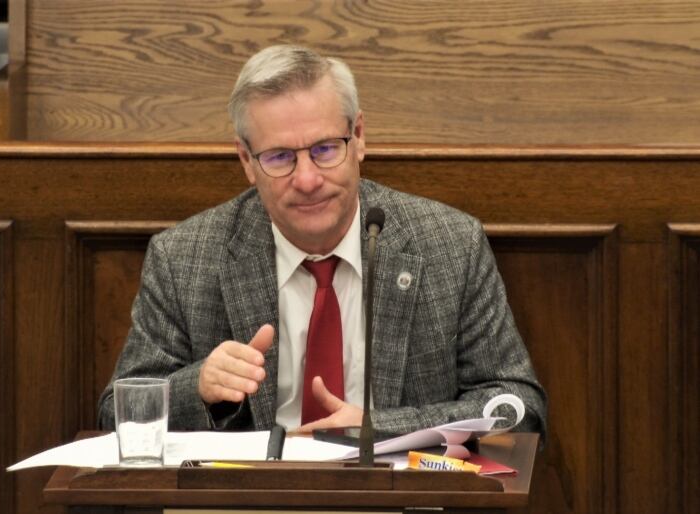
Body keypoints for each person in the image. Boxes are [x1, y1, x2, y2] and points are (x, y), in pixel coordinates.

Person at [98, 45, 547, 436]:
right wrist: (195, 388)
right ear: (246, 161)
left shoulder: (449, 244)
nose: (308, 179)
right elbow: (115, 417)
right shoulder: (183, 258)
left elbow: (516, 405)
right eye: (279, 157)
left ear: (359, 138)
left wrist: (378, 430)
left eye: (325, 149)